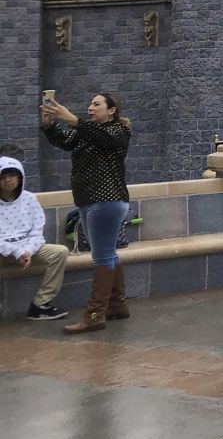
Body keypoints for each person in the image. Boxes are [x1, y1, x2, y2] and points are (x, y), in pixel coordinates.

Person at [40, 91, 132, 334]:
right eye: (89, 104)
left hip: (107, 200)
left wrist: (72, 118)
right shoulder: (87, 130)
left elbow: (102, 138)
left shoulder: (118, 131)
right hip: (89, 200)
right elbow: (66, 142)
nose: (90, 108)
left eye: (96, 104)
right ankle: (117, 305)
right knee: (107, 253)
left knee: (101, 257)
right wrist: (50, 125)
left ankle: (94, 315)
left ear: (111, 110)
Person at [0, 157, 69, 321]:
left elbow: (37, 231)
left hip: (27, 249)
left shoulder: (30, 199)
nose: (7, 180)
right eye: (2, 177)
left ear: (20, 177)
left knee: (60, 252)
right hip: (3, 251)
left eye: (11, 175)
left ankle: (40, 305)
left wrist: (27, 251)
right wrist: (16, 251)